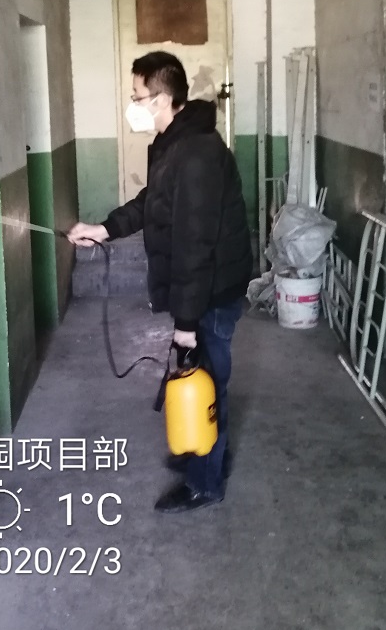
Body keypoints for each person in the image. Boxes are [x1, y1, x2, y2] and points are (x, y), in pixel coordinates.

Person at [67, 52, 253, 513]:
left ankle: (205, 482)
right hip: (202, 289)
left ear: (163, 99)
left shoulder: (197, 154)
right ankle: (199, 448)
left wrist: (186, 323)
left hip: (212, 292)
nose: (132, 104)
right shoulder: (175, 143)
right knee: (197, 377)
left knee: (208, 384)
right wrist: (104, 229)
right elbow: (154, 201)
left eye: (137, 97)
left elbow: (195, 246)